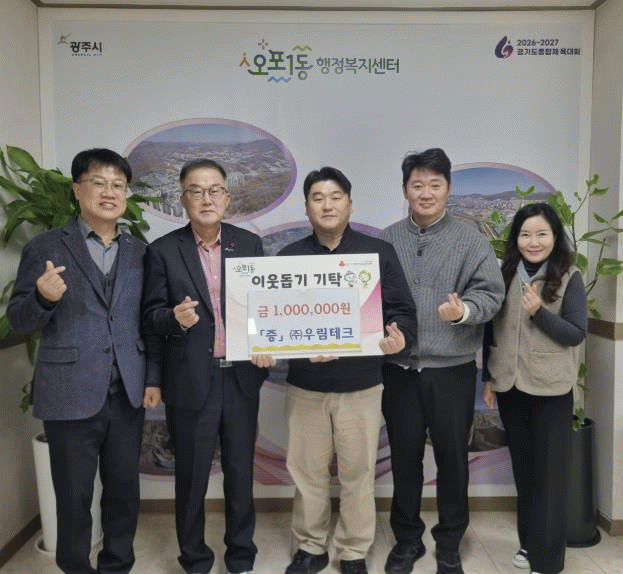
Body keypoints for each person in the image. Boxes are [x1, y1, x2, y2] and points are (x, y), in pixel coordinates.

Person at [7, 148, 161, 574]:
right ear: (77, 190)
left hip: (127, 391)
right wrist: (43, 298)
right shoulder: (45, 247)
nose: (109, 192)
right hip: (69, 393)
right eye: (98, 183)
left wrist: (152, 377)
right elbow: (18, 318)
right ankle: (75, 567)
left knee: (124, 493)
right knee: (73, 497)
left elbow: (148, 324)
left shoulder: (140, 253)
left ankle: (117, 565)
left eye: (117, 185)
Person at [278, 167, 418, 574]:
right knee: (308, 474)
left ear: (350, 204)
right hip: (306, 386)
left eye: (336, 196)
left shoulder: (376, 254)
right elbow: (275, 323)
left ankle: (354, 551)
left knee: (358, 474)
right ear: (307, 207)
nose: (327, 204)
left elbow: (402, 312)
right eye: (318, 197)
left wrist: (399, 338)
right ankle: (311, 547)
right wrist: (284, 350)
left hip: (361, 386)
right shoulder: (289, 258)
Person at [379, 148, 505, 574]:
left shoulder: (471, 241)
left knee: (453, 459)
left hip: (451, 371)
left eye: (435, 184)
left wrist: (464, 311)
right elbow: (368, 297)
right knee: (404, 458)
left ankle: (449, 541)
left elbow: (491, 294)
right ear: (405, 190)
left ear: (449, 189)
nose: (426, 193)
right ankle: (407, 540)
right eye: (417, 185)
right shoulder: (386, 239)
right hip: (399, 370)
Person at [142, 159, 268, 574]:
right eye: (196, 191)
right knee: (192, 477)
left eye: (214, 190)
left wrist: (267, 345)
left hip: (241, 377)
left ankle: (241, 556)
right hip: (191, 379)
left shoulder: (249, 245)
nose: (206, 198)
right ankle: (195, 559)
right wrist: (173, 318)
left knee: (240, 473)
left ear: (227, 198)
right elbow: (150, 318)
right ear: (183, 199)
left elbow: (263, 309)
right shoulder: (163, 251)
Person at [482, 202, 587, 574]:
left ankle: (549, 560)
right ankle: (528, 545)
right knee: (525, 473)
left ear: (555, 237)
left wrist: (538, 313)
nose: (533, 241)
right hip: (510, 386)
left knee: (550, 478)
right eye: (525, 234)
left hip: (551, 389)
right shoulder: (505, 273)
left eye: (542, 234)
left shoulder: (569, 275)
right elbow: (490, 328)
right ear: (516, 239)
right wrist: (488, 378)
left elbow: (575, 333)